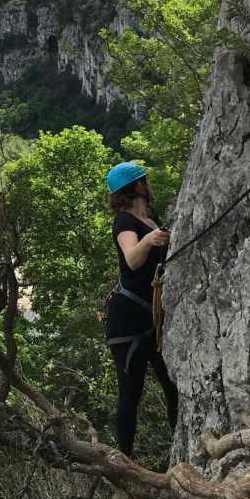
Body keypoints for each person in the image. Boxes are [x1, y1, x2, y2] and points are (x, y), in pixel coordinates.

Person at [104, 162, 179, 458]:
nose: (150, 184)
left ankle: (179, 453)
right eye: (145, 180)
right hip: (128, 323)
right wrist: (149, 240)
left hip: (152, 321)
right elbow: (132, 259)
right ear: (135, 187)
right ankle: (124, 461)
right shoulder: (125, 223)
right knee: (130, 394)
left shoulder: (151, 220)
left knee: (173, 388)